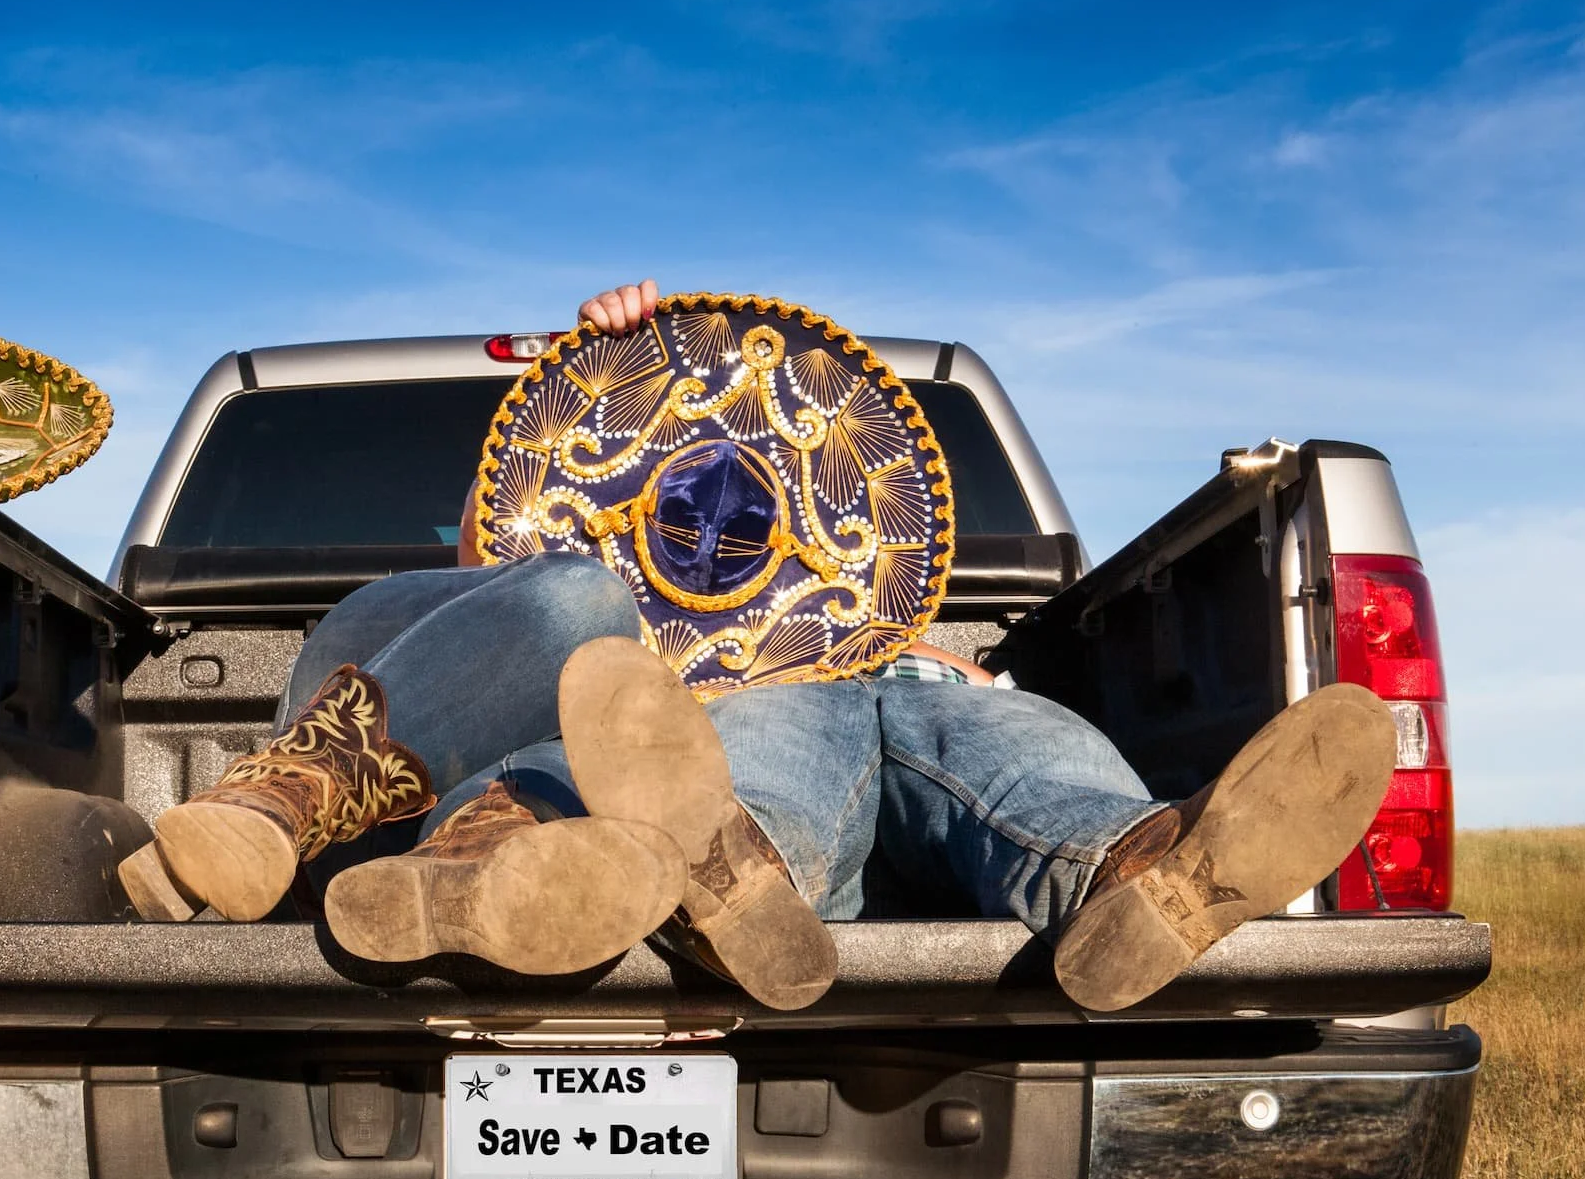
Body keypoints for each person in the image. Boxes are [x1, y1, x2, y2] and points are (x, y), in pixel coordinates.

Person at [119, 282, 1398, 1015]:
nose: (702, 517)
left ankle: (1131, 868)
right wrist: (591, 378)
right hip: (576, 720)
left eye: (740, 500)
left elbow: (841, 673)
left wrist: (920, 663)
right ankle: (381, 822)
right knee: (593, 627)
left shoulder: (826, 634)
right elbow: (517, 574)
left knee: (964, 713)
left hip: (795, 759)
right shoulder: (527, 576)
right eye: (667, 485)